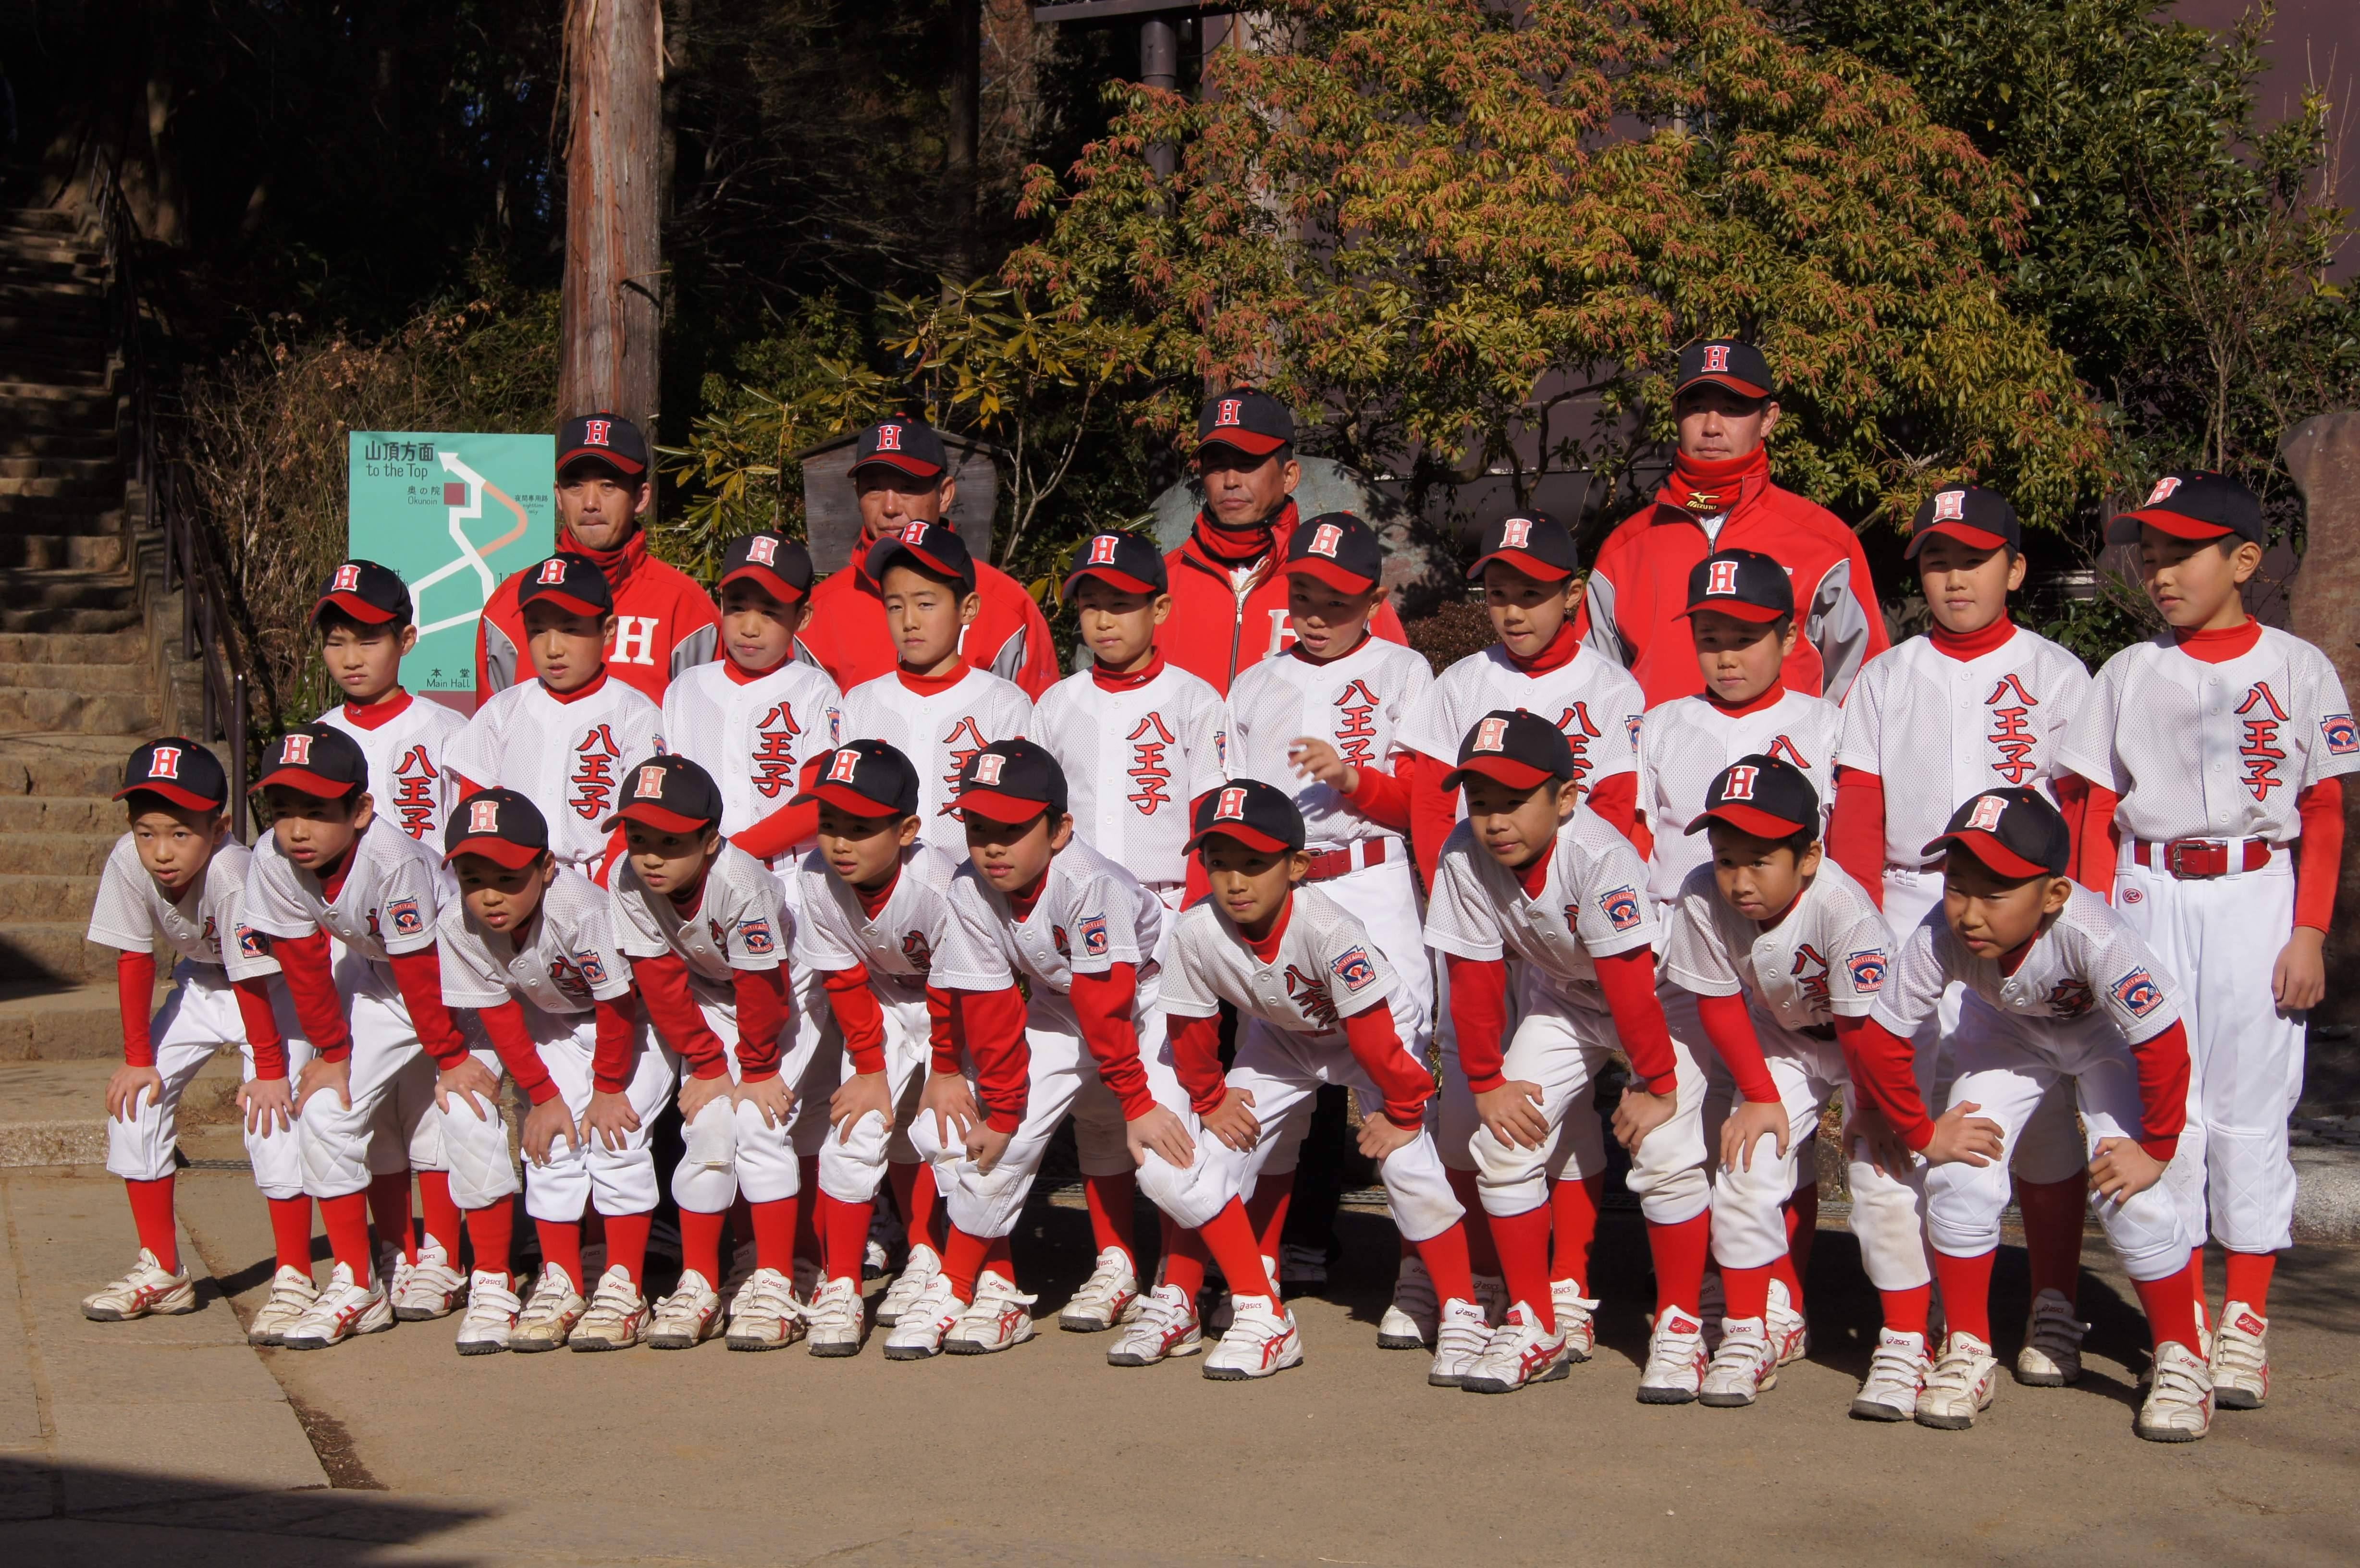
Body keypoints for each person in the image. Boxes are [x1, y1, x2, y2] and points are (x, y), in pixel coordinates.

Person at [2062, 471, 2360, 1414]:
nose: (2159, 572)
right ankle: (2181, 1327)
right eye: (2148, 555)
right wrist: (2090, 933)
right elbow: (2092, 808)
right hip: (2145, 891)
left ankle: (2245, 1321)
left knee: (2249, 1110)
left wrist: (2309, 930)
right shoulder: (2126, 672)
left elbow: (2322, 806)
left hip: (2255, 892)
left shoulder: (2296, 666)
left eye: (2180, 553)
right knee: (2164, 1109)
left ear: (2242, 560)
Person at [1827, 485, 2097, 1387]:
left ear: (2014, 569)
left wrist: (2063, 917)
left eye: (1974, 560)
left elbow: (2077, 809)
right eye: (1937, 560)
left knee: (2041, 1108)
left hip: (2023, 910)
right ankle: (1937, 1310)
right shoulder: (1886, 673)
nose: (1953, 578)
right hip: (1911, 895)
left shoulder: (2057, 670)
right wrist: (1861, 923)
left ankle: (2052, 1295)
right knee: (1918, 1110)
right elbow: (1858, 807)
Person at [1843, 787, 2211, 1441]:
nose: (1969, 912)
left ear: (2053, 894)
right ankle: (1968, 1350)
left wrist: (2156, 1147)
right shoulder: (1937, 935)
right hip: (2007, 1029)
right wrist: (1923, 1133)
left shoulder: (2093, 934)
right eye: (1957, 887)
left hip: (2105, 1035)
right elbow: (1882, 1039)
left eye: (1995, 893)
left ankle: (2182, 1357)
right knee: (1959, 1171)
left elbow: (2162, 1041)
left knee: (2129, 1190)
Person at [1394, 508, 1647, 1345]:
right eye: (1498, 592)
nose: (1512, 609)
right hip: (1481, 910)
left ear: (1572, 594)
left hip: (1569, 926)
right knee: (1471, 1102)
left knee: (1561, 1113)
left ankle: (1565, 1280)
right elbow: (1431, 803)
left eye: (1532, 593)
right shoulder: (1461, 680)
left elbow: (1618, 814)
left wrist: (1555, 911)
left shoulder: (1610, 686)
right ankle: (1473, 1273)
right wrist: (1459, 893)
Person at [1131, 782, 1480, 1384]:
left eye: (1254, 862)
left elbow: (1373, 1035)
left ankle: (1462, 1311)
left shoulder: (1327, 926)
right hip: (1284, 1039)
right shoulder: (1195, 929)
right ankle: (1258, 1311)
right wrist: (1210, 1100)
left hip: (1374, 1036)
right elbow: (1190, 1029)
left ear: (1297, 865)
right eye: (1219, 862)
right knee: (1188, 1166)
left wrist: (1402, 1110)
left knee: (1408, 1167)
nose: (1235, 880)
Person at [1421, 711, 1699, 1396]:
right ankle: (1537, 1323)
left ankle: (1682, 1326)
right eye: (1480, 801)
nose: (1495, 820)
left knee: (1665, 1153)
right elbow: (1473, 975)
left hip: (1662, 1000)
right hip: (1566, 1000)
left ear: (1567, 797)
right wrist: (1485, 1079)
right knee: (1503, 1142)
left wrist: (1657, 1082)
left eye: (1516, 800)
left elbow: (1631, 984)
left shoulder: (1598, 854)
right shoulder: (1462, 854)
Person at [882, 740, 1190, 1359]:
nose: (992, 845)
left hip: (1152, 998)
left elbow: (1107, 1003)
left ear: (1060, 829)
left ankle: (1180, 1291)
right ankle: (963, 1286)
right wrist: (1000, 1109)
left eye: (1013, 828)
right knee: (999, 1144)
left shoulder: (1090, 883)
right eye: (978, 827)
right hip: (1060, 1000)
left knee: (1166, 1152)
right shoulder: (969, 887)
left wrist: (1136, 1101)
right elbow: (987, 1004)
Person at [1658, 755, 1928, 1416]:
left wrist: (1873, 1109)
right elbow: (1719, 1001)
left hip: (1874, 1048)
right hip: (1782, 1040)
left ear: (1809, 857)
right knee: (1746, 1166)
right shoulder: (1701, 895)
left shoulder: (1844, 910)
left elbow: (1864, 1031)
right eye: (1726, 859)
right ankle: (1748, 1331)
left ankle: (1908, 1340)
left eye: (1759, 860)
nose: (1738, 879)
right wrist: (1757, 1094)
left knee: (1881, 1183)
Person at [1225, 512, 1435, 1332]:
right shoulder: (1257, 681)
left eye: (1338, 601)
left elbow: (1418, 804)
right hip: (1282, 890)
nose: (1316, 615)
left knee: (1395, 1077)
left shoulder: (1405, 670)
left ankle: (1421, 1275)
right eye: (1305, 596)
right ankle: (1255, 1269)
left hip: (1371, 878)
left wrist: (1352, 780)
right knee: (1268, 1091)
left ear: (1374, 601)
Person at [1028, 528, 1233, 1329]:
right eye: (1091, 604)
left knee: (1172, 1102)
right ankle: (1115, 1262)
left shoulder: (1195, 699)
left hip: (1166, 917)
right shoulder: (1057, 704)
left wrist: (1197, 930)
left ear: (1161, 607)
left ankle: (1180, 1279)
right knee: (1097, 1106)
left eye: (1122, 603)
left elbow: (1212, 823)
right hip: (1078, 925)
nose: (1104, 619)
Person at [241, 724, 492, 1348]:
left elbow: (423, 969)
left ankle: (458, 1262)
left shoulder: (392, 857)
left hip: (462, 979)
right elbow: (302, 960)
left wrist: (451, 1056)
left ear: (359, 811)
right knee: (327, 1108)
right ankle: (359, 1282)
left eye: (316, 811)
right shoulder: (272, 859)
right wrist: (332, 1053)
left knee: (455, 1114)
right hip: (380, 978)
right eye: (283, 810)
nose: (296, 829)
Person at [661, 529, 848, 1289]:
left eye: (769, 610)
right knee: (716, 1100)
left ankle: (790, 1260)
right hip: (696, 904)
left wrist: (724, 851)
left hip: (785, 900)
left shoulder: (816, 690)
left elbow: (818, 802)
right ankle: (741, 1259)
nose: (748, 624)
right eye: (736, 604)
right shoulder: (686, 689)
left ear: (802, 616)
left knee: (774, 1098)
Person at [80, 740, 313, 1342]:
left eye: (180, 833)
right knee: (135, 1103)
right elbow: (134, 957)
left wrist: (269, 1070)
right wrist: (138, 1061)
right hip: (200, 984)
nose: (161, 851)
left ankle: (295, 1275)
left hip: (273, 991)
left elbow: (251, 976)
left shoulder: (234, 871)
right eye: (147, 831)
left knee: (272, 1117)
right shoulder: (128, 860)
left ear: (219, 827)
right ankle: (162, 1270)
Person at [433, 788, 673, 1354]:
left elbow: (617, 1004)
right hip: (553, 1022)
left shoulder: (580, 908)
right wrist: (541, 1096)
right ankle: (561, 1279)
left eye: (508, 877)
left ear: (545, 867)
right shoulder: (457, 923)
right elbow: (497, 1014)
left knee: (617, 1138)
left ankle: (624, 1288)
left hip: (636, 1024)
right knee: (552, 1144)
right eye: (473, 879)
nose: (490, 894)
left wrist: (607, 1087)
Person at [605, 755, 815, 1351]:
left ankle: (774, 1280)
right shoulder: (626, 878)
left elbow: (764, 989)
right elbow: (659, 980)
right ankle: (699, 1281)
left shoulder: (740, 881)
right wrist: (704, 1063)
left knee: (760, 1121)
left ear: (710, 840)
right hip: (708, 989)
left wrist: (755, 1067)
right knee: (707, 1123)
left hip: (788, 990)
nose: (650, 856)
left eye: (670, 842)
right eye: (638, 837)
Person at [1576, 340, 1889, 706]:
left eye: (1732, 408)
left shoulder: (1826, 541)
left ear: (1768, 418)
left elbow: (1865, 686)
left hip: (1789, 744)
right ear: (1676, 413)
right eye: (1696, 408)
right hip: (1658, 744)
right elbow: (1592, 688)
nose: (1712, 426)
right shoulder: (1626, 547)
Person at [787, 740, 968, 1355]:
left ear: (907, 830)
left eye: (861, 828)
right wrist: (868, 1068)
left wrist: (946, 1069)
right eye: (829, 823)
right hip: (884, 999)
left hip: (961, 1007)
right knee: (855, 1131)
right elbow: (842, 976)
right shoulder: (815, 875)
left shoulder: (939, 883)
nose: (840, 842)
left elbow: (956, 986)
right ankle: (841, 1283)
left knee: (946, 1134)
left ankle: (941, 1262)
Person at [1161, 390, 1408, 694]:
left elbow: (1397, 695)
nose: (1230, 481)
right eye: (1216, 465)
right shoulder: (1159, 585)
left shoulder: (1345, 579)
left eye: (1248, 463)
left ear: (1289, 476)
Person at [797, 418, 1058, 699]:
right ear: (857, 494)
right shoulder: (815, 614)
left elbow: (1041, 719)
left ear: (944, 495)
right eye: (874, 488)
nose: (890, 507)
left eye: (908, 487)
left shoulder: (1009, 607)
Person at [449, 553, 667, 879]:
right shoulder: (501, 710)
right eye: (538, 630)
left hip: (602, 878)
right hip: (514, 880)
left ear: (608, 631)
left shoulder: (635, 712)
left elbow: (640, 816)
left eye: (570, 629)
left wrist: (606, 887)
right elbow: (475, 804)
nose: (553, 648)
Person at [476, 413, 719, 705]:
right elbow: (490, 729)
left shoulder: (687, 609)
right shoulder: (509, 606)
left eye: (608, 485)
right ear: (558, 496)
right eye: (575, 485)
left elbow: (706, 724)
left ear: (641, 497)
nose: (590, 503)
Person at [837, 520, 1034, 860]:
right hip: (883, 881)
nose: (909, 621)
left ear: (968, 608)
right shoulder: (861, 702)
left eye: (925, 604)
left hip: (974, 882)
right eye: (895, 606)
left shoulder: (1004, 703)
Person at [312, 560, 467, 845]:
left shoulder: (449, 729)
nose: (351, 660)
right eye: (335, 644)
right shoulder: (317, 738)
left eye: (368, 642)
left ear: (406, 640)